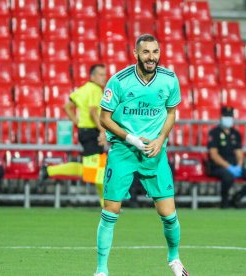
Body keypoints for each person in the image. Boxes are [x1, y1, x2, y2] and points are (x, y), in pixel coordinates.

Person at [94, 34, 189, 276]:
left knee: (168, 214)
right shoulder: (119, 81)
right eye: (146, 52)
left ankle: (175, 259)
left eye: (155, 52)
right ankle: (101, 270)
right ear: (136, 54)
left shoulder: (169, 79)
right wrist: (132, 139)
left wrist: (160, 139)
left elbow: (171, 113)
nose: (151, 57)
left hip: (153, 151)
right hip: (123, 150)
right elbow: (104, 118)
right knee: (110, 211)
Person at [40, 64, 108, 207]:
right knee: (95, 170)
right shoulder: (95, 90)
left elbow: (67, 106)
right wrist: (102, 131)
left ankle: (105, 205)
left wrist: (77, 122)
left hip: (84, 131)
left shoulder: (82, 89)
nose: (104, 77)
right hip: (91, 132)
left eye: (104, 74)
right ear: (93, 76)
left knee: (95, 169)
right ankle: (50, 170)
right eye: (101, 75)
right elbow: (93, 111)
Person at [207, 106, 246, 208]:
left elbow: (239, 153)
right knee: (227, 176)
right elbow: (214, 155)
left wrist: (239, 165)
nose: (228, 118)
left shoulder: (235, 134)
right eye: (226, 116)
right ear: (221, 117)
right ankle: (224, 202)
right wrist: (228, 167)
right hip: (217, 166)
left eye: (230, 116)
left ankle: (237, 197)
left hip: (233, 165)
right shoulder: (214, 133)